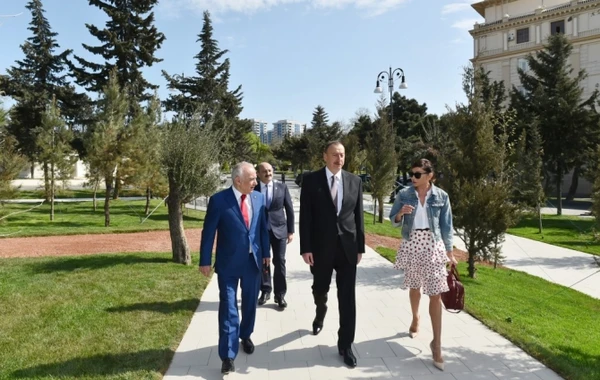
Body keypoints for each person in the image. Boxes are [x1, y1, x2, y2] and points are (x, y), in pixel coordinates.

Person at [199, 162, 270, 375]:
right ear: (238, 181)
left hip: (253, 262)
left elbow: (262, 229)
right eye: (252, 179)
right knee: (229, 307)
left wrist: (266, 254)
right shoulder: (219, 201)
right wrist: (204, 260)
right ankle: (228, 356)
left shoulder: (258, 198)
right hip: (228, 264)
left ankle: (245, 334)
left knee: (249, 303)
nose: (256, 183)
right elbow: (208, 232)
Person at [299, 141, 365, 368]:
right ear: (324, 156)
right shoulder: (310, 180)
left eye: (342, 155)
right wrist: (305, 248)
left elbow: (358, 217)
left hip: (348, 247)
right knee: (320, 288)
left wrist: (360, 247)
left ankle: (345, 344)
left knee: (347, 298)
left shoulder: (355, 181)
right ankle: (320, 310)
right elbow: (305, 217)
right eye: (335, 154)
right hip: (320, 249)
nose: (339, 158)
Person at [388, 158, 457, 371]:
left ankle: (436, 345)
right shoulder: (404, 194)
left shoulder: (441, 196)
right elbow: (392, 218)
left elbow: (446, 225)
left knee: (435, 293)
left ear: (430, 176)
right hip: (412, 243)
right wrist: (400, 213)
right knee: (415, 286)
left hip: (433, 245)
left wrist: (450, 252)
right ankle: (416, 317)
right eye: (412, 174)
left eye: (417, 174)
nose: (413, 178)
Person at [255, 162, 295, 309]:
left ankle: (280, 295)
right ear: (258, 174)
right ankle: (265, 291)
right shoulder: (254, 188)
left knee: (280, 261)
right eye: (264, 171)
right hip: (260, 231)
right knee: (263, 261)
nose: (268, 173)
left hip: (280, 230)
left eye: (270, 171)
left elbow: (289, 209)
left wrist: (291, 231)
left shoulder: (282, 187)